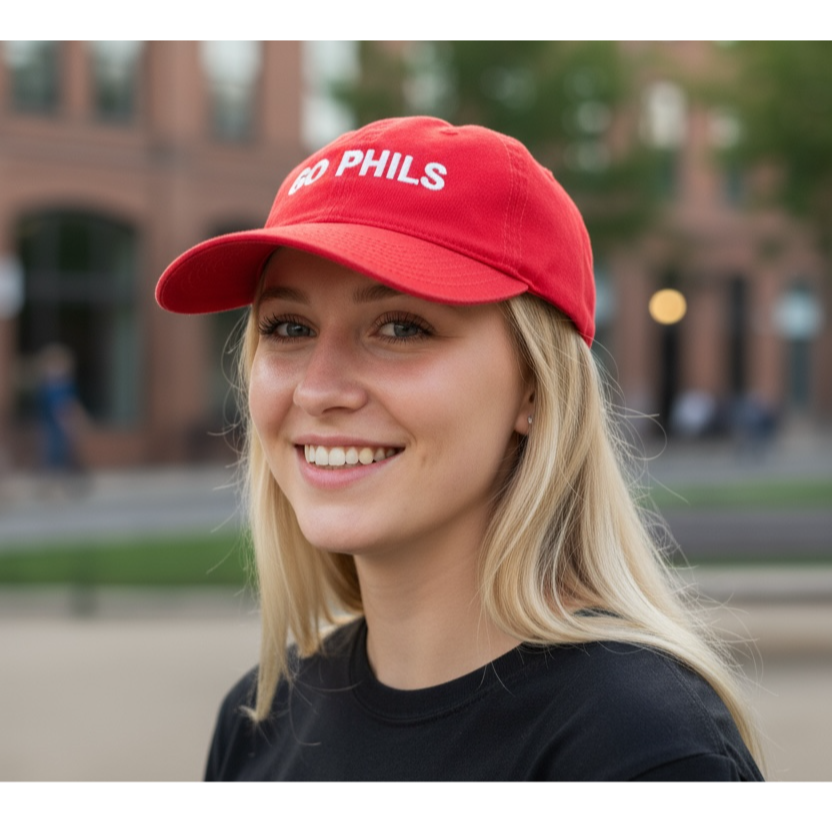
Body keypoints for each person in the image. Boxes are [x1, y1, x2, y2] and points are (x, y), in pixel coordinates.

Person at [156, 117, 764, 782]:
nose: (319, 389)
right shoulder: (257, 722)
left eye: (400, 327)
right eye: (289, 327)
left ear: (535, 387)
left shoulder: (639, 748)